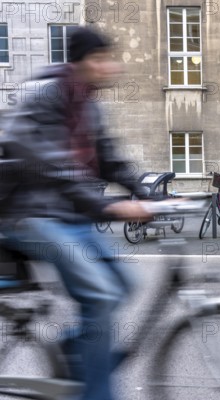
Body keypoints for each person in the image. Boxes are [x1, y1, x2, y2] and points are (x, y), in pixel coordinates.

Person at [0, 27, 151, 400]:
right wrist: (105, 205)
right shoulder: (45, 94)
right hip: (29, 216)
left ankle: (73, 347)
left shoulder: (91, 106)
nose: (109, 67)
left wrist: (147, 192)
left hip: (70, 218)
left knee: (124, 286)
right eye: (99, 59)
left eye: (109, 58)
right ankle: (97, 395)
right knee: (99, 296)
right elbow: (47, 163)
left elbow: (111, 161)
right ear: (78, 63)